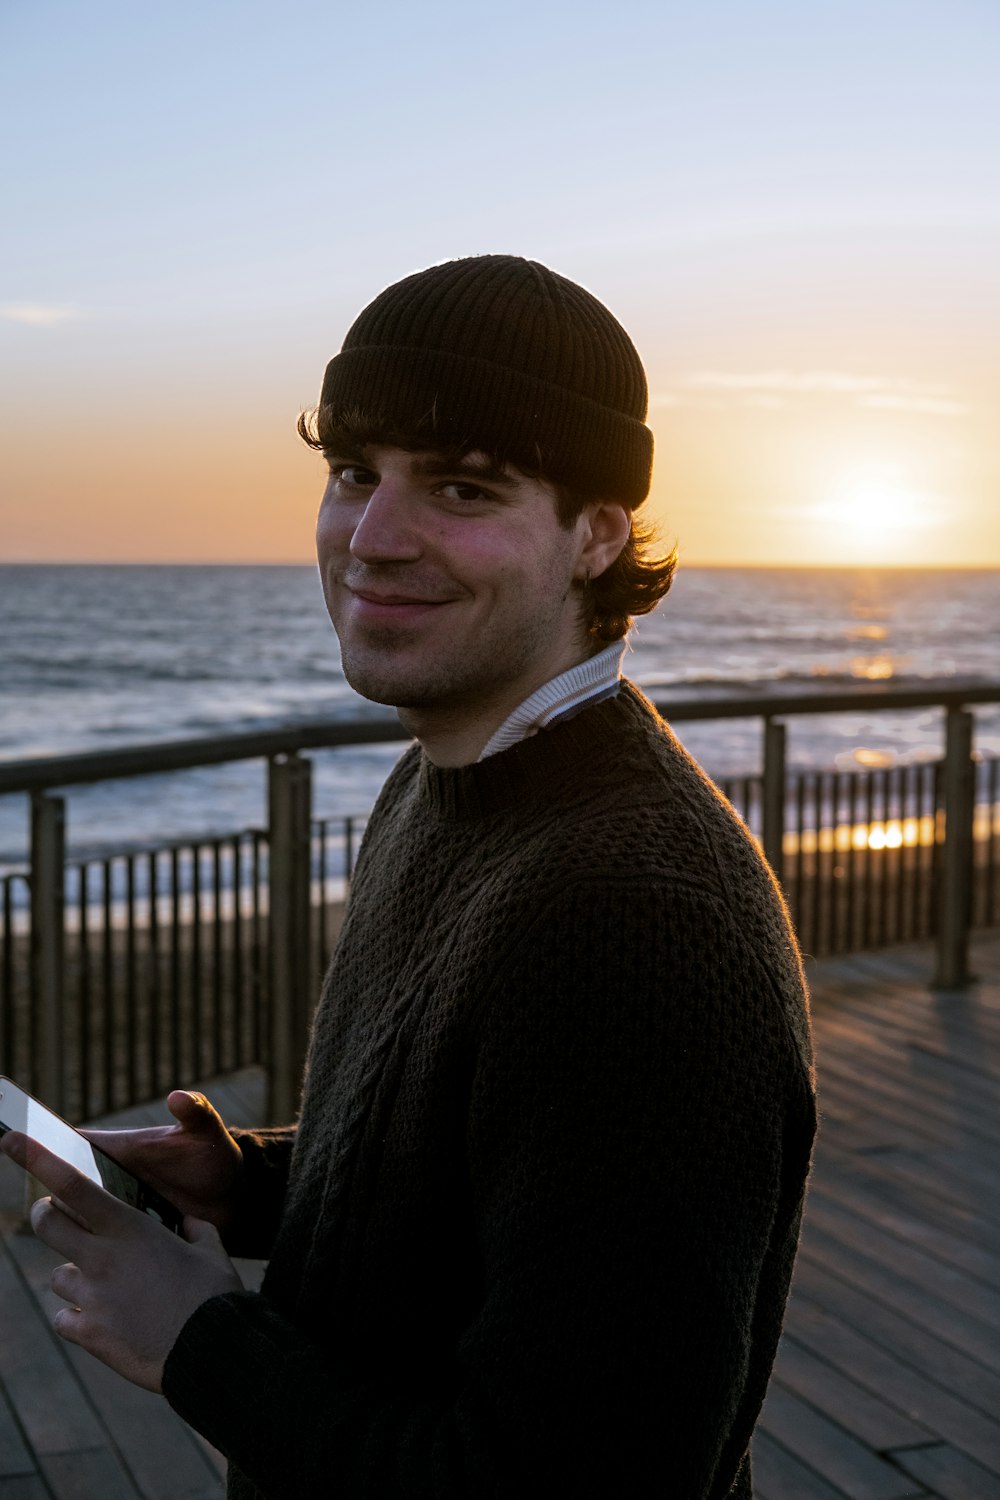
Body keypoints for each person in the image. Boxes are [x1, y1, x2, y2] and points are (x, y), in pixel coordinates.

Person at [2, 255, 815, 1498]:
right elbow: (509, 1182)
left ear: (597, 535)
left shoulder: (635, 920)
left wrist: (198, 1345)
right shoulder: (448, 776)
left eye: (463, 486)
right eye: (351, 475)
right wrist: (261, 1180)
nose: (372, 539)